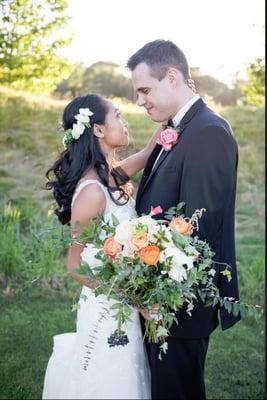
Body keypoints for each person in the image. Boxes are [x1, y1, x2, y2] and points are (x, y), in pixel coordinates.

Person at [126, 39, 241, 400]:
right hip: (157, 301)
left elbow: (198, 228)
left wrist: (158, 295)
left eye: (145, 90)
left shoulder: (208, 132)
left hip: (178, 306)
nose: (140, 101)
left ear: (172, 76)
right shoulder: (171, 131)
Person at [42, 93, 157, 399]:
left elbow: (147, 153)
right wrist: (131, 297)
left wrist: (176, 114)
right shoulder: (92, 192)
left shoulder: (111, 177)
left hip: (123, 304)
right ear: (98, 130)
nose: (124, 120)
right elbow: (74, 265)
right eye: (118, 115)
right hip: (107, 309)